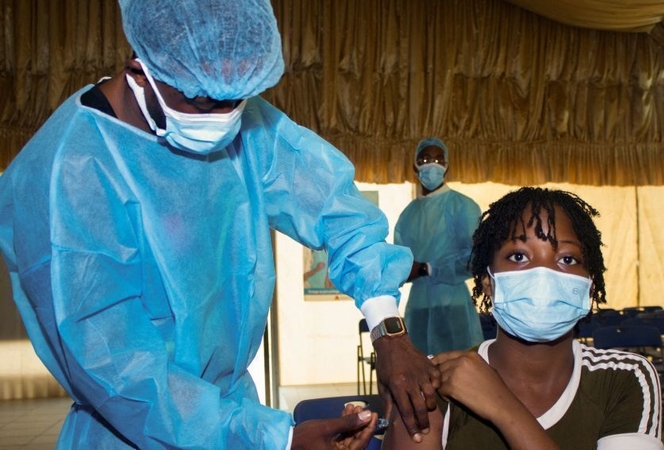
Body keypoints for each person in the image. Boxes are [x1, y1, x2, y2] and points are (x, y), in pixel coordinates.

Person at [0, 0, 440, 448]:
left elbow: (335, 207)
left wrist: (387, 329)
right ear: (141, 68)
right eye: (204, 96)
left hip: (233, 411)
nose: (226, 114)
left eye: (238, 95)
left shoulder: (241, 123)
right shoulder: (68, 171)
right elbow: (118, 369)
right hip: (129, 431)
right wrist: (274, 440)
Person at [383, 187, 664, 449]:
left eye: (567, 259)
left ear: (589, 285)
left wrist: (502, 406)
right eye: (518, 256)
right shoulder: (437, 383)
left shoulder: (624, 378)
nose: (542, 274)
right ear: (488, 283)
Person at [393, 138, 484, 355]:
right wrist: (406, 271)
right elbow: (400, 261)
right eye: (425, 159)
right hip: (419, 304)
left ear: (447, 166)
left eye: (438, 159)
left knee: (459, 371)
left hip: (452, 304)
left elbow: (476, 258)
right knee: (421, 372)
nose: (431, 165)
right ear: (415, 165)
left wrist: (428, 269)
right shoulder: (409, 214)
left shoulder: (463, 206)